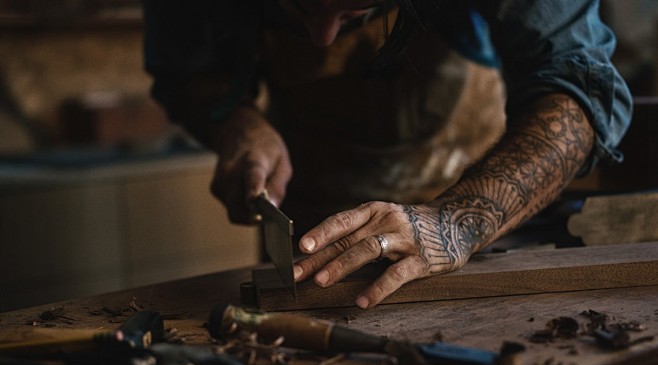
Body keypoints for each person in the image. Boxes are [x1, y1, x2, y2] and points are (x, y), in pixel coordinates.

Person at [141, 1, 632, 309]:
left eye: (353, 10)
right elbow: (186, 72)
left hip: (484, 258)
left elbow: (578, 95)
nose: (323, 39)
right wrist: (236, 123)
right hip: (314, 258)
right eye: (300, 10)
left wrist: (455, 221)